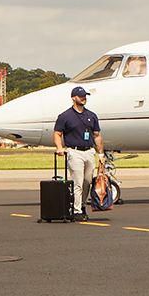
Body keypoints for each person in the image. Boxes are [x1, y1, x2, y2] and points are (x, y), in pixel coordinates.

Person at [53, 86, 104, 221]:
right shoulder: (65, 116)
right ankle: (76, 210)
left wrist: (100, 154)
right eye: (81, 96)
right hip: (74, 151)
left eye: (85, 96)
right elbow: (57, 133)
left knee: (87, 180)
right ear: (73, 98)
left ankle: (81, 205)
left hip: (89, 151)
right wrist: (60, 147)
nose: (84, 98)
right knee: (78, 182)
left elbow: (97, 135)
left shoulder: (91, 116)